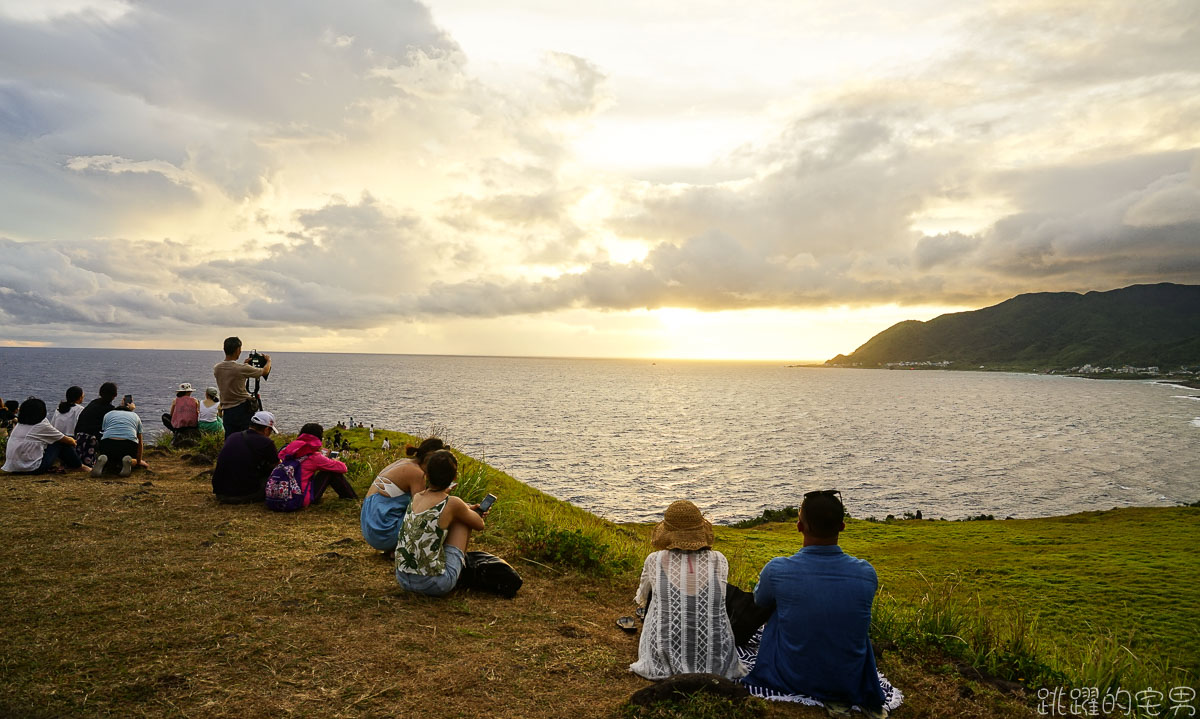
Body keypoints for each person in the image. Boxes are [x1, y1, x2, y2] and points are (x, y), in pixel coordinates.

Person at [744, 489, 887, 714]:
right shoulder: (866, 573)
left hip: (792, 677)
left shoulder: (778, 569)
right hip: (847, 680)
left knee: (777, 608)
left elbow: (759, 601)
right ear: (842, 527)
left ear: (800, 526)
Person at [629, 500, 744, 680]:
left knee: (654, 598)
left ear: (667, 533)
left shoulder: (655, 560)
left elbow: (642, 599)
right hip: (715, 658)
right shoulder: (719, 560)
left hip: (663, 653)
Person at [394, 450, 486, 597]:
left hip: (403, 579)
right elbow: (479, 524)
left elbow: (439, 507)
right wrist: (471, 512)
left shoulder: (417, 497)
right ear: (454, 477)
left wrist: (464, 508)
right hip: (433, 585)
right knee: (463, 521)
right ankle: (459, 572)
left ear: (427, 474)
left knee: (457, 516)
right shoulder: (453, 503)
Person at [361, 437, 445, 558]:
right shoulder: (417, 473)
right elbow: (422, 508)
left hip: (372, 529)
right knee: (432, 516)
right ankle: (404, 549)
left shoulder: (404, 462)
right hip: (383, 532)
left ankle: (396, 547)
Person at [276, 423, 357, 504]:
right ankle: (351, 498)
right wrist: (334, 461)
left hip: (278, 495)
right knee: (330, 472)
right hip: (298, 499)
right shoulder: (314, 457)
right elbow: (343, 468)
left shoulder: (287, 451)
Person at [1, 397, 86, 474]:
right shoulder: (41, 425)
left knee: (56, 439)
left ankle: (75, 465)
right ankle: (78, 466)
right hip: (32, 468)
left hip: (14, 468)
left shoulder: (20, 425)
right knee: (59, 442)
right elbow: (66, 440)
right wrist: (74, 442)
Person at [211, 411, 280, 503]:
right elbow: (277, 466)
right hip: (244, 494)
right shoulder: (266, 443)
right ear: (267, 429)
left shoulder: (232, 436)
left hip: (221, 493)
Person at [213, 336, 271, 438]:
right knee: (246, 438)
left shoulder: (217, 368)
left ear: (224, 349)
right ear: (238, 350)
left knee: (230, 439)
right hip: (242, 409)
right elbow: (264, 371)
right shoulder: (241, 369)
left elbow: (233, 377)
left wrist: (245, 365)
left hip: (227, 410)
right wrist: (268, 361)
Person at [92, 399, 148, 477]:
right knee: (131, 459)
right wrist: (138, 461)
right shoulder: (135, 416)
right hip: (128, 445)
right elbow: (140, 441)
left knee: (110, 458)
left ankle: (103, 460)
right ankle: (129, 462)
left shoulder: (108, 414)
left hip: (108, 444)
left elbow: (103, 432)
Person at [75, 382, 118, 468]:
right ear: (115, 395)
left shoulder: (93, 403)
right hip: (93, 437)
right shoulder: (110, 409)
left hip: (78, 435)